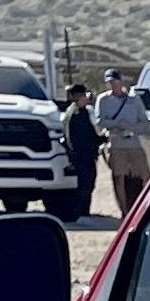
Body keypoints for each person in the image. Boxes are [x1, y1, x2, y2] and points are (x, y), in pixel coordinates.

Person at [94, 69, 150, 218]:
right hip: (116, 143)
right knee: (119, 177)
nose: (113, 85)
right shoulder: (103, 100)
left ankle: (145, 207)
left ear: (121, 81)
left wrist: (133, 128)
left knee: (145, 175)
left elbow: (144, 122)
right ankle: (125, 211)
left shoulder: (134, 101)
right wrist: (117, 124)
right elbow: (100, 121)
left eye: (115, 81)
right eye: (110, 82)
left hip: (134, 143)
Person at [58, 80, 100, 224]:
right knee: (85, 184)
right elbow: (73, 137)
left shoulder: (80, 112)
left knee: (87, 183)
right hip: (81, 156)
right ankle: (81, 212)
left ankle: (84, 210)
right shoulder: (75, 114)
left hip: (84, 155)